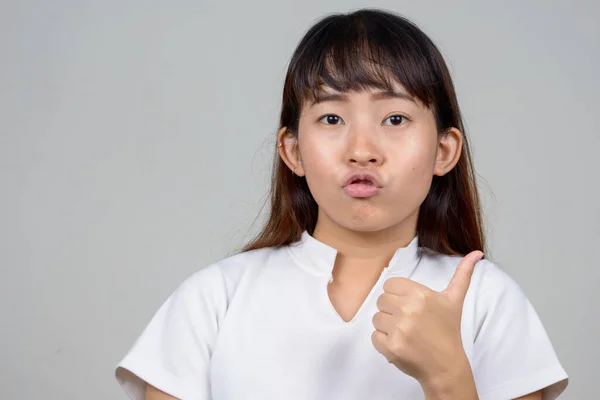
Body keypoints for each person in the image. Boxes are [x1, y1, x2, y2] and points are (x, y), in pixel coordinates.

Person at [115, 8, 569, 400]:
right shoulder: (213, 300)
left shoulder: (488, 301)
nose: (362, 149)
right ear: (292, 151)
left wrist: (447, 376)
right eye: (332, 118)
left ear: (444, 151)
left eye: (395, 118)